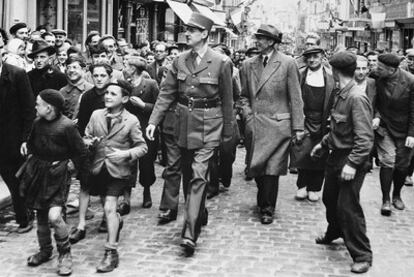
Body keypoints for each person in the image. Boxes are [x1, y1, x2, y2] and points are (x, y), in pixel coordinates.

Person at [146, 12, 233, 256]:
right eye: (187, 29)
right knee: (187, 173)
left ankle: (189, 232)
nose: (187, 33)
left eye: (192, 30)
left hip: (209, 126)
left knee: (198, 175)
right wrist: (155, 120)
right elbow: (166, 93)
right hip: (183, 124)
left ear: (205, 34)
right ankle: (199, 211)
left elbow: (228, 101)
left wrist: (229, 135)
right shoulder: (180, 60)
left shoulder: (221, 62)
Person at [311, 51, 373, 274]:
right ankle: (334, 231)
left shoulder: (356, 97)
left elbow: (365, 139)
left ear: (335, 71)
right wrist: (324, 143)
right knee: (329, 198)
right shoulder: (341, 94)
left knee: (348, 207)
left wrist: (353, 164)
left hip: (350, 159)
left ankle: (362, 254)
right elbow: (339, 128)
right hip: (336, 156)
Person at [239, 24, 304, 224]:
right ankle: (263, 197)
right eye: (256, 38)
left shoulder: (287, 63)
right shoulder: (248, 64)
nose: (256, 41)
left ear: (271, 42)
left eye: (261, 38)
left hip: (278, 126)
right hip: (255, 126)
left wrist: (298, 128)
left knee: (272, 170)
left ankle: (268, 208)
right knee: (257, 169)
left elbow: (295, 97)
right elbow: (243, 97)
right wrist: (248, 117)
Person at [20, 89, 88, 276]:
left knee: (54, 216)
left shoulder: (67, 126)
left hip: (58, 175)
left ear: (49, 108)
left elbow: (81, 152)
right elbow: (32, 143)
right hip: (39, 173)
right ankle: (45, 250)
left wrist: (70, 167)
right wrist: (29, 149)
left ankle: (65, 254)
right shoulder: (37, 123)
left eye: (38, 103)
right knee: (40, 214)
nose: (35, 106)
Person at [85, 80, 147, 272]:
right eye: (106, 93)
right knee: (106, 207)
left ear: (125, 98)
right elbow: (85, 135)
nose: (107, 96)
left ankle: (111, 252)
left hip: (118, 171)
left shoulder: (131, 120)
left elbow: (142, 147)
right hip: (99, 168)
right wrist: (89, 142)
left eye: (113, 94)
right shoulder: (96, 115)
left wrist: (126, 154)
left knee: (110, 207)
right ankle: (116, 221)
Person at [69, 63, 114, 244]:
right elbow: (82, 123)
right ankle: (81, 225)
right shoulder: (87, 96)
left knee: (105, 186)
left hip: (109, 148)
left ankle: (107, 215)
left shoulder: (114, 94)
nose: (99, 78)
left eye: (103, 75)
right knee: (85, 185)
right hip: (89, 148)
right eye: (96, 75)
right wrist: (83, 143)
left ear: (109, 77)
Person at [291, 46, 334, 202]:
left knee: (321, 154)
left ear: (322, 57)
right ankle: (302, 186)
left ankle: (315, 187)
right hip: (305, 119)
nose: (312, 60)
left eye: (315, 57)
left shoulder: (330, 77)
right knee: (303, 152)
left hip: (323, 121)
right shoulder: (300, 75)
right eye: (309, 57)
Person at [374, 53, 414, 216]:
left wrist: (412, 133)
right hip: (385, 127)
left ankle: (396, 194)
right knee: (388, 160)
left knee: (402, 165)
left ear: (391, 70)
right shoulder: (376, 77)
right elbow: (374, 100)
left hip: (405, 130)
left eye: (380, 68)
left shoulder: (410, 81)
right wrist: (377, 116)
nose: (376, 69)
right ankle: (386, 200)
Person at [0, 51, 35, 234]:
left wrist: (25, 139)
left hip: (10, 140)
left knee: (15, 181)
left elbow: (29, 109)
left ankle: (24, 217)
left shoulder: (17, 74)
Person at [122, 56, 159, 212]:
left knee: (146, 162)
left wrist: (144, 105)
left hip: (145, 128)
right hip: (127, 128)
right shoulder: (124, 84)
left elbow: (159, 107)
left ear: (133, 68)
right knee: (127, 162)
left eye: (126, 65)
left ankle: (147, 191)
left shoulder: (151, 84)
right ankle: (126, 198)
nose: (124, 67)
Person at [207, 43, 241, 198]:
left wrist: (233, 113)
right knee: (212, 151)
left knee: (227, 151)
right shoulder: (208, 72)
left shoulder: (233, 73)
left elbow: (239, 97)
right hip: (212, 116)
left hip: (228, 116)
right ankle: (212, 185)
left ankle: (225, 174)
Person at [59, 55, 93, 120]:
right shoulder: (62, 91)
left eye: (75, 67)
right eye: (68, 67)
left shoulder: (91, 89)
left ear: (83, 69)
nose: (71, 70)